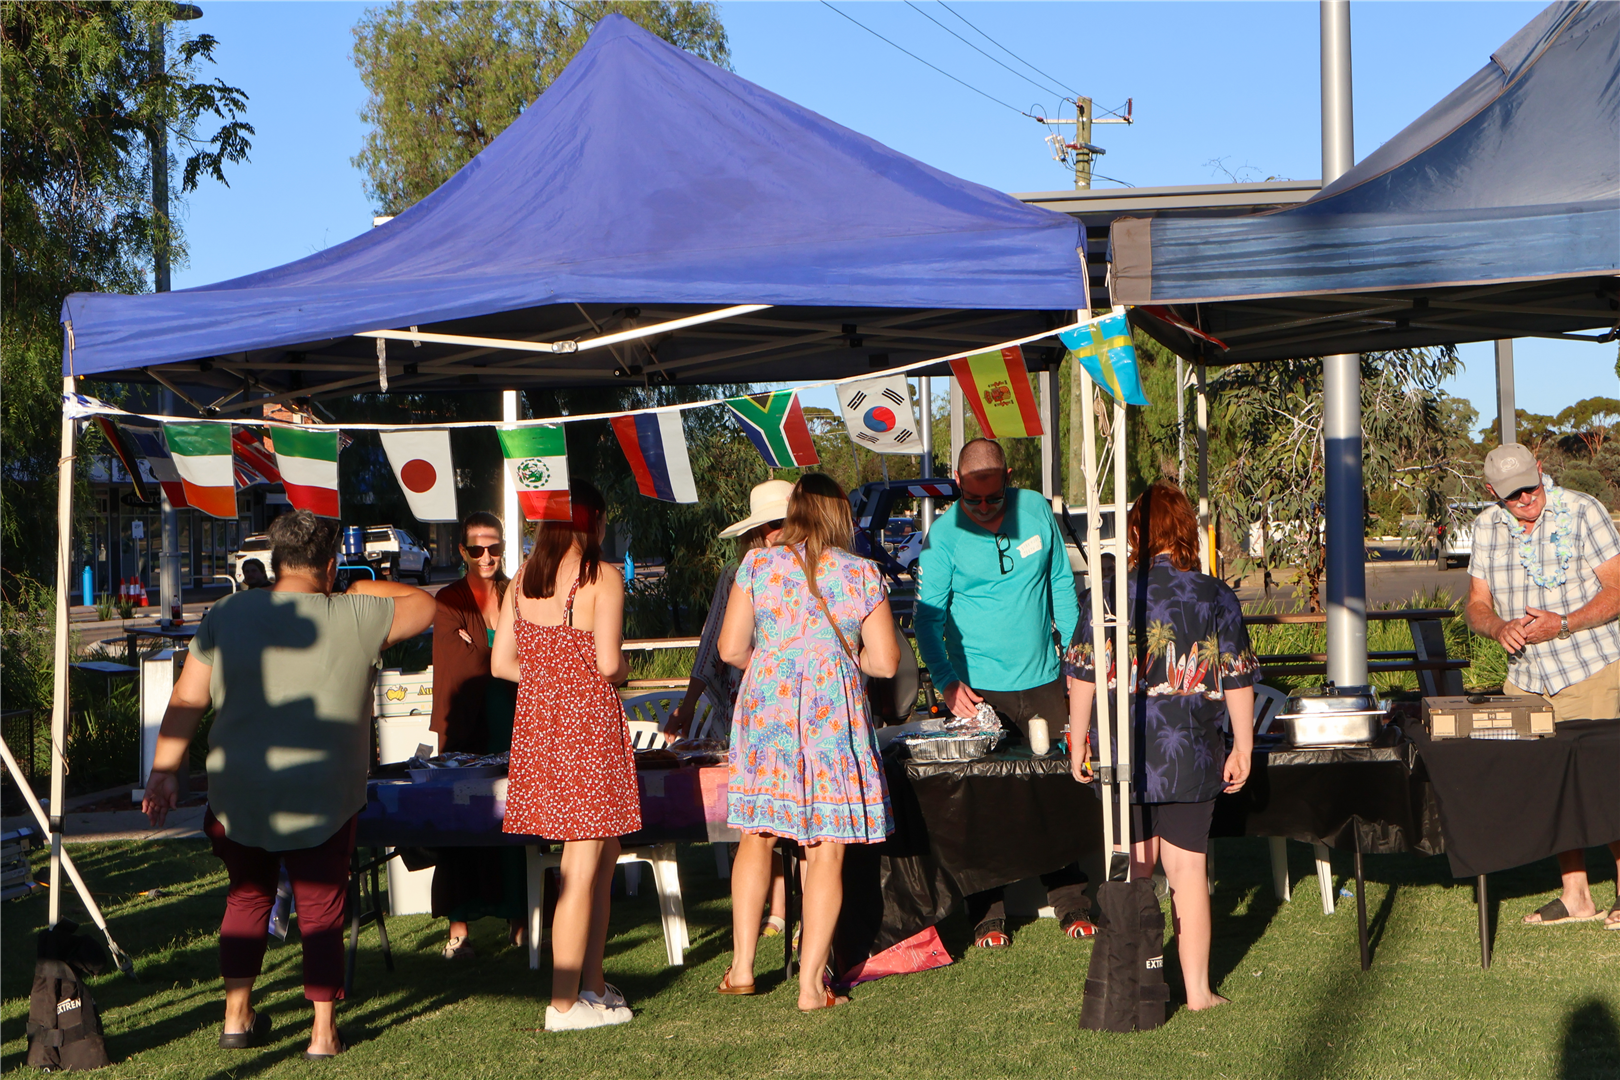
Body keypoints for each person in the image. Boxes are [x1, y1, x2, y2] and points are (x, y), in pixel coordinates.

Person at [142, 510, 435, 1058]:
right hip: (323, 793)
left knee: (246, 897)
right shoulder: (356, 612)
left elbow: (187, 698)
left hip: (238, 791)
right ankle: (322, 1033)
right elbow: (425, 605)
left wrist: (163, 771)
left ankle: (236, 1016)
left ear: (275, 562)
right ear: (330, 565)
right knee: (322, 908)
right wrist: (356, 586)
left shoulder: (227, 613)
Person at [1066, 479, 1257, 1011]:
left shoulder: (1107, 594)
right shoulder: (1214, 595)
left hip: (1124, 751)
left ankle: (1134, 987)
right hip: (1191, 751)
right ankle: (1198, 992)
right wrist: (1242, 746)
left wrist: (1077, 739)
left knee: (1137, 869)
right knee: (1188, 871)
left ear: (1135, 533)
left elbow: (1082, 673)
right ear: (1186, 531)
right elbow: (1237, 677)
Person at [717, 473, 900, 1011]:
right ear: (839, 514)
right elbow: (886, 662)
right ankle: (810, 987)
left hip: (767, 714)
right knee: (825, 851)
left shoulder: (758, 566)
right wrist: (837, 659)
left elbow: (730, 649)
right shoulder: (861, 573)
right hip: (831, 718)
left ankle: (742, 969)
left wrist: (778, 662)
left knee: (757, 836)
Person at [913, 437, 1092, 948]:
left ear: (1009, 478)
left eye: (994, 497)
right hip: (976, 689)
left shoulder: (1035, 510)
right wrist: (947, 682)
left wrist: (1077, 662)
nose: (985, 507)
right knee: (984, 802)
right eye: (972, 499)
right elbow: (926, 620)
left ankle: (1071, 899)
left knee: (1055, 791)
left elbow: (1061, 587)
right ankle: (987, 911)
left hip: (1045, 678)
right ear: (957, 485)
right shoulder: (943, 536)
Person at [491, 481, 640, 1032]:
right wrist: (615, 672)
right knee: (582, 864)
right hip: (587, 726)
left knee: (602, 853)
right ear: (594, 519)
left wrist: (548, 681)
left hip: (540, 726)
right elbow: (608, 664)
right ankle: (562, 1004)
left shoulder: (521, 580)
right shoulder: (602, 576)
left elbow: (501, 664)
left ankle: (592, 986)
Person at [1464, 444, 1620, 927]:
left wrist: (1565, 623)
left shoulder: (1583, 511)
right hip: (1527, 680)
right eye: (1513, 494)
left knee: (1606, 784)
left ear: (1541, 471)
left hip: (1589, 667)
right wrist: (1497, 627)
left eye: (1531, 487)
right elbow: (1476, 603)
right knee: (1553, 788)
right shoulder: (1487, 528)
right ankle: (1577, 896)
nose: (1526, 499)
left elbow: (1617, 589)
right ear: (1492, 492)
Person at [671, 479, 793, 937]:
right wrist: (687, 705)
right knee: (762, 815)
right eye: (769, 524)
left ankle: (788, 909)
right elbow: (714, 644)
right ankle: (778, 908)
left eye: (782, 521)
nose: (776, 531)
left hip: (800, 704)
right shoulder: (737, 574)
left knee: (795, 809)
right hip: (748, 707)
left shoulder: (819, 567)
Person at [429, 510, 524, 959]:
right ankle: (459, 928)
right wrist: (495, 653)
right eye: (477, 548)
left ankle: (520, 918)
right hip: (466, 725)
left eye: (495, 547)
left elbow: (524, 651)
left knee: (518, 817)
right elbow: (461, 664)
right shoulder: (449, 598)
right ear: (462, 551)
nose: (486, 556)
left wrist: (481, 647)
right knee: (462, 821)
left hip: (514, 719)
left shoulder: (517, 591)